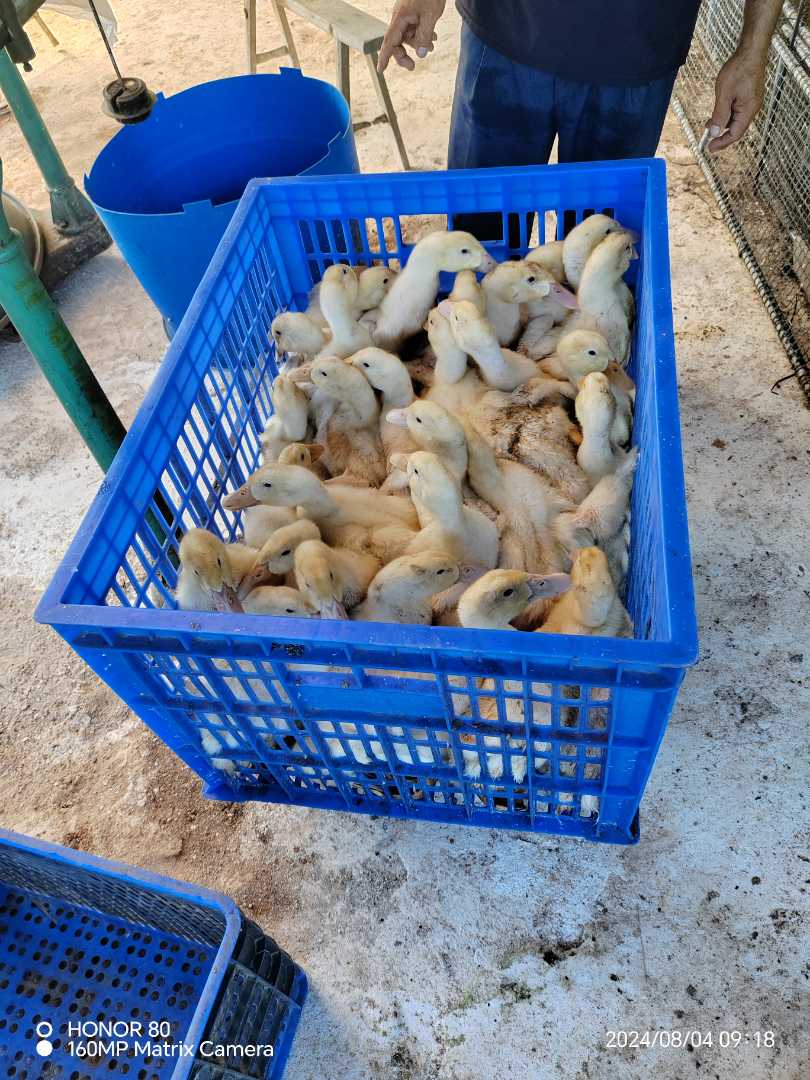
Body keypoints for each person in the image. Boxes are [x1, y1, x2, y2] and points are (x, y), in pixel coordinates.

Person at [378, 0, 783, 168]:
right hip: (507, 35)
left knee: (599, 262)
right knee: (479, 249)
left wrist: (753, 51)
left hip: (637, 55)